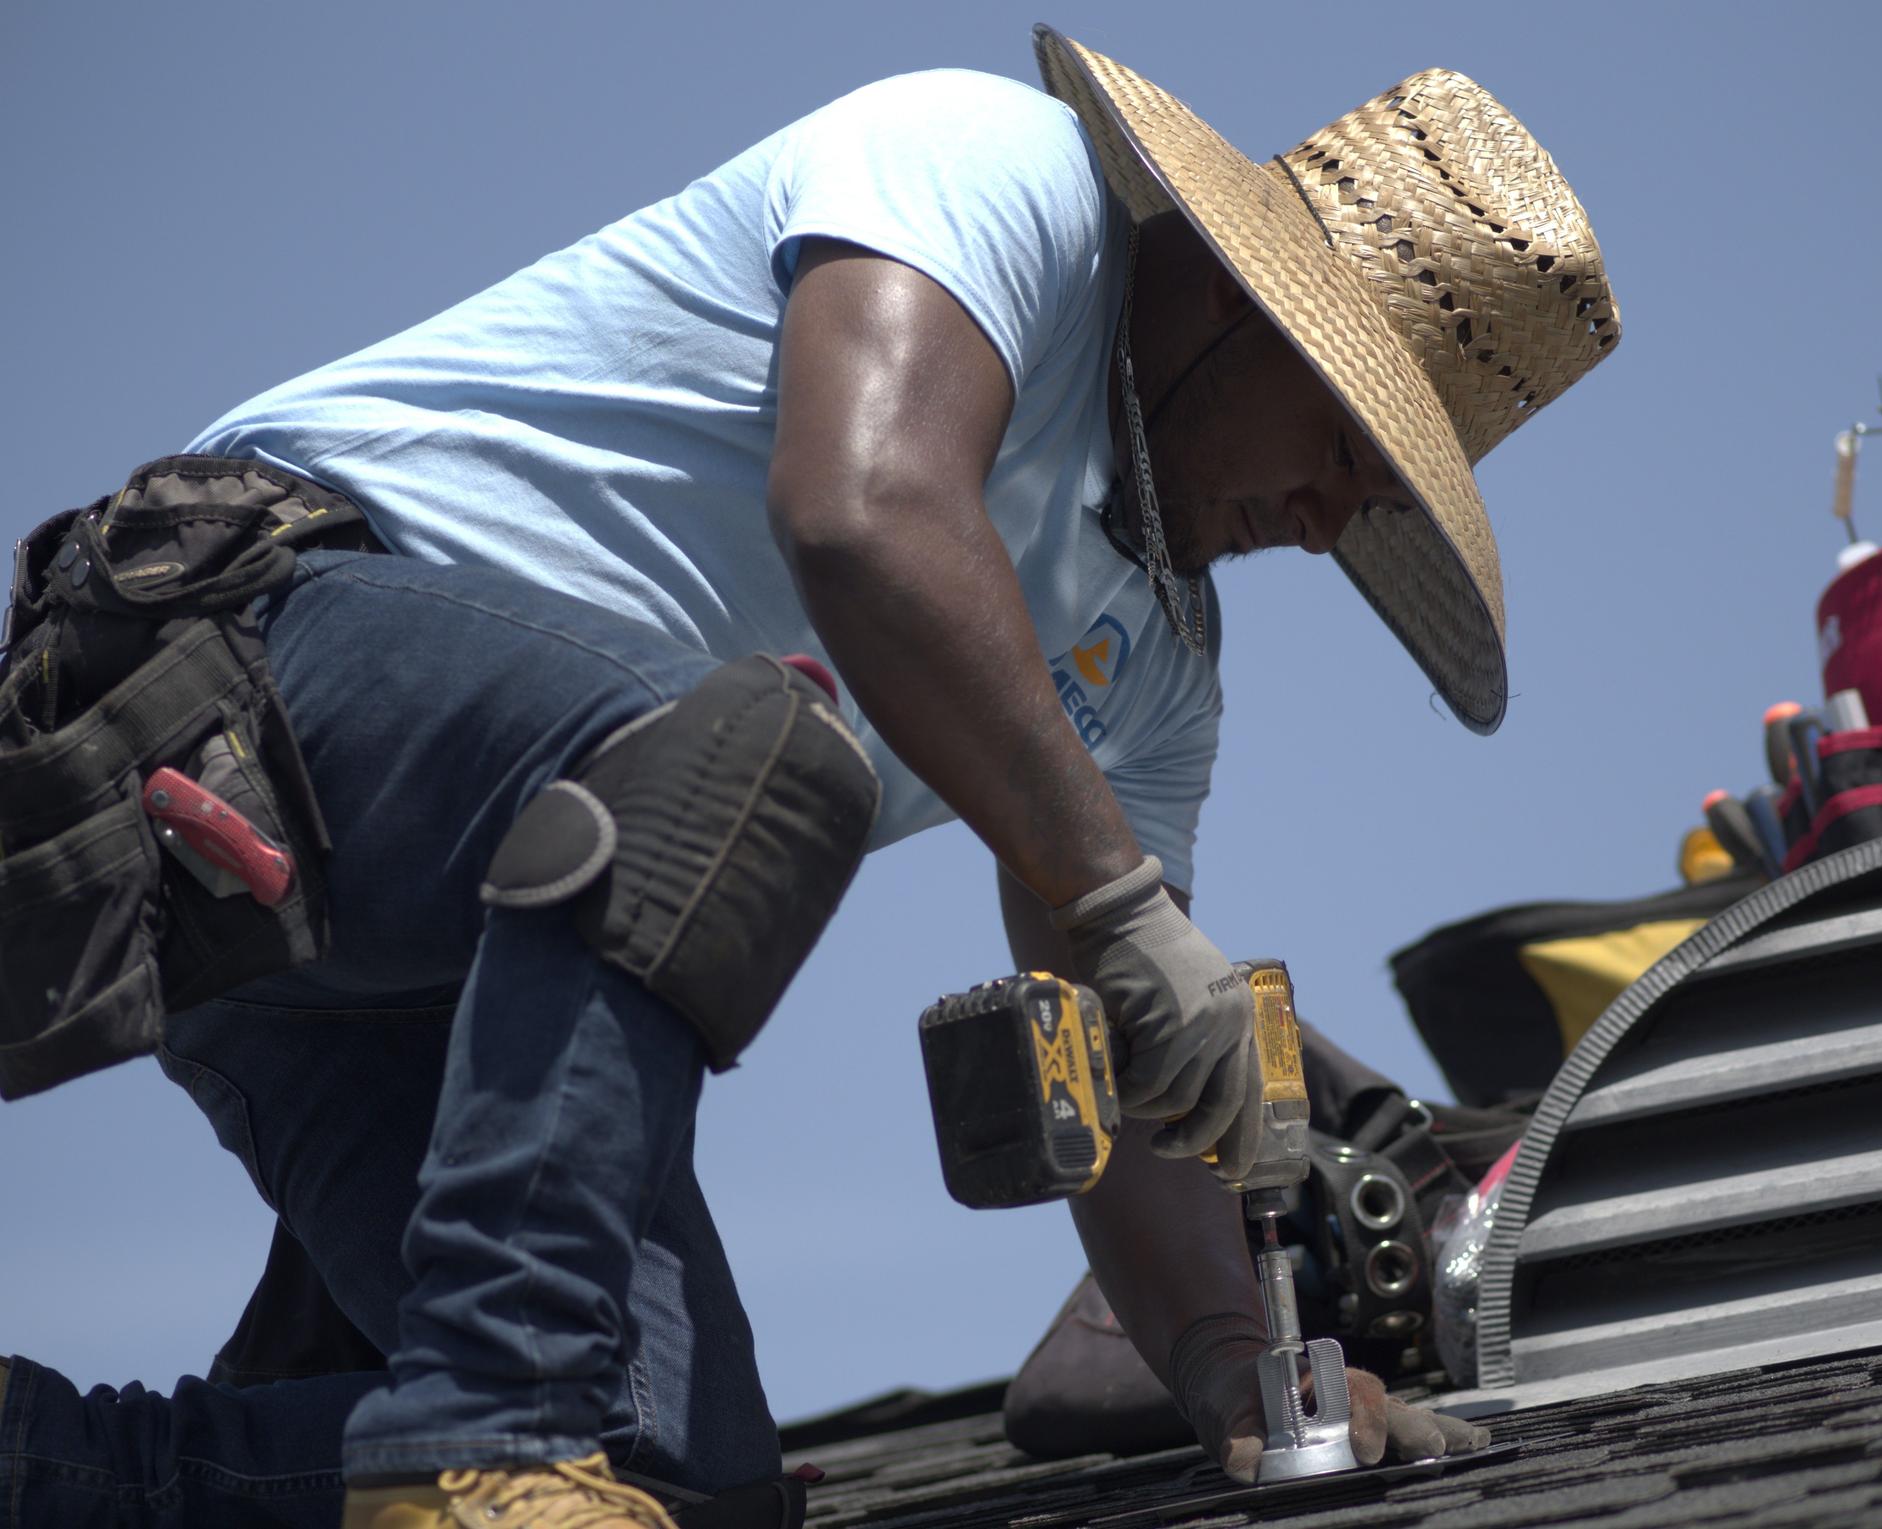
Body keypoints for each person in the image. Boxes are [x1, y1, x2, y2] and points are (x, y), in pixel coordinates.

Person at [0, 25, 1619, 1529]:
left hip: (434, 948)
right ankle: (491, 1416)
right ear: (1226, 294)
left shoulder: (1162, 672)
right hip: (244, 670)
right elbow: (862, 514)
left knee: (667, 1487)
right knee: (739, 753)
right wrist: (1121, 899)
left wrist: (1223, 1360)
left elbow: (1111, 1068)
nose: (1334, 517)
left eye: (1385, 495)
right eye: (1345, 443)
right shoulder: (1006, 174)